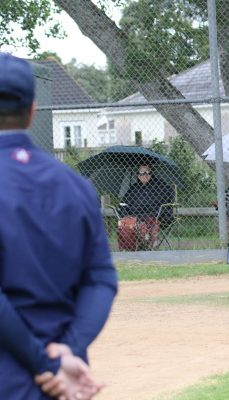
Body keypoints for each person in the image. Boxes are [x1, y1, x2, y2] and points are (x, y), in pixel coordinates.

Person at [0, 53, 118, 398]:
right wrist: (67, 350)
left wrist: (44, 363)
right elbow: (101, 279)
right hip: (66, 381)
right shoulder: (75, 185)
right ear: (33, 110)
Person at [119, 164, 175, 250]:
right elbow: (123, 204)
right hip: (136, 217)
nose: (145, 175)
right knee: (125, 223)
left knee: (147, 223)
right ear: (138, 175)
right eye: (142, 173)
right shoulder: (133, 189)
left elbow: (169, 199)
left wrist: (158, 213)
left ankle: (147, 247)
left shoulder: (161, 186)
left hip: (156, 216)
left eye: (147, 173)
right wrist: (126, 217)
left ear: (151, 174)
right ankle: (131, 250)